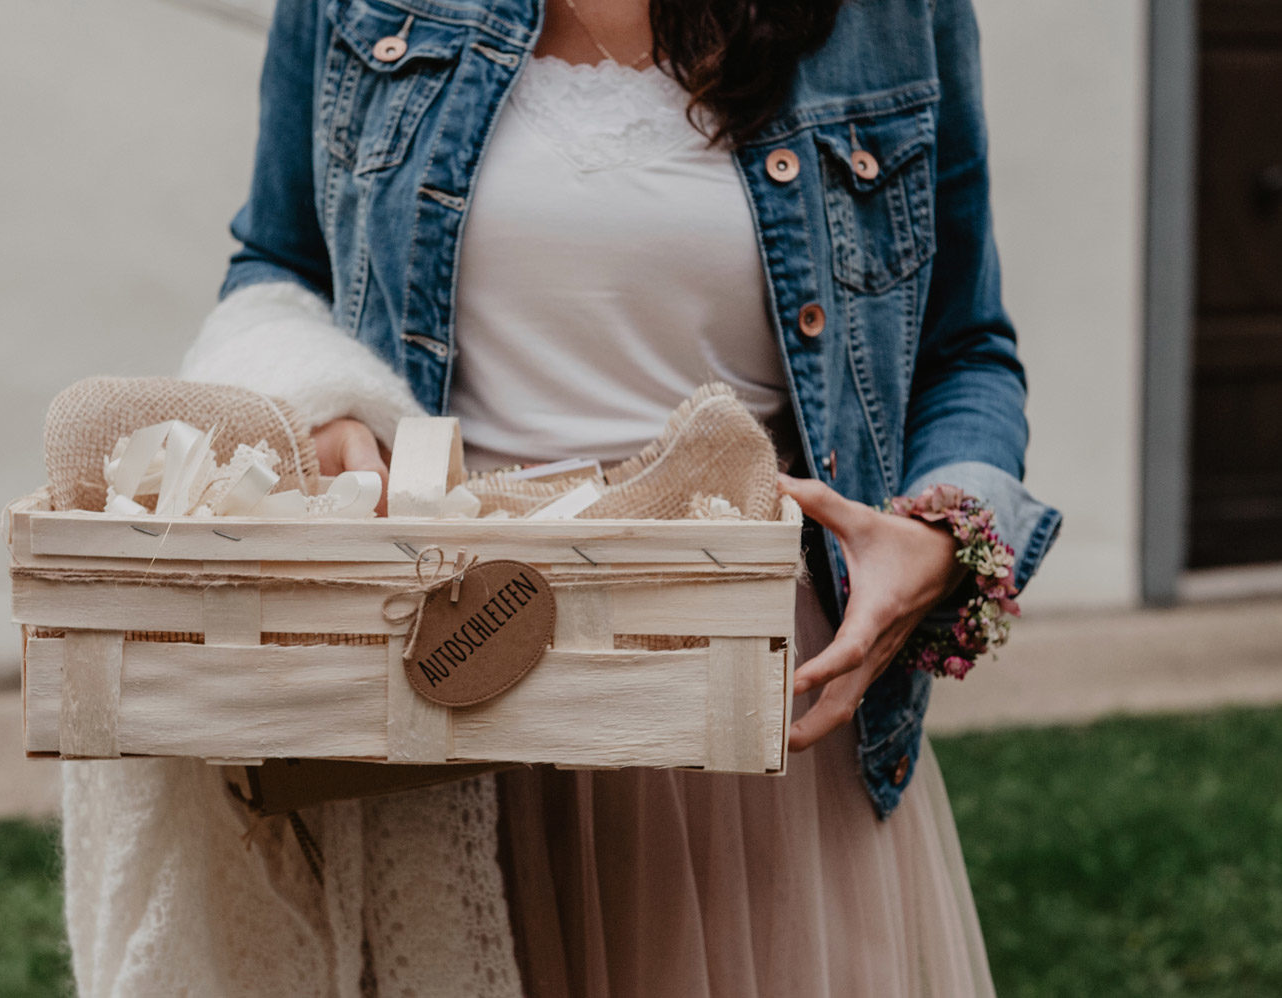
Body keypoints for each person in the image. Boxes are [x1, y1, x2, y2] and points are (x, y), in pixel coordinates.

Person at [61, 0, 1062, 994]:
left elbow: (962, 347)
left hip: (748, 707)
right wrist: (324, 407)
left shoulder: (885, 15)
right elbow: (279, 266)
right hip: (445, 675)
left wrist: (941, 535)